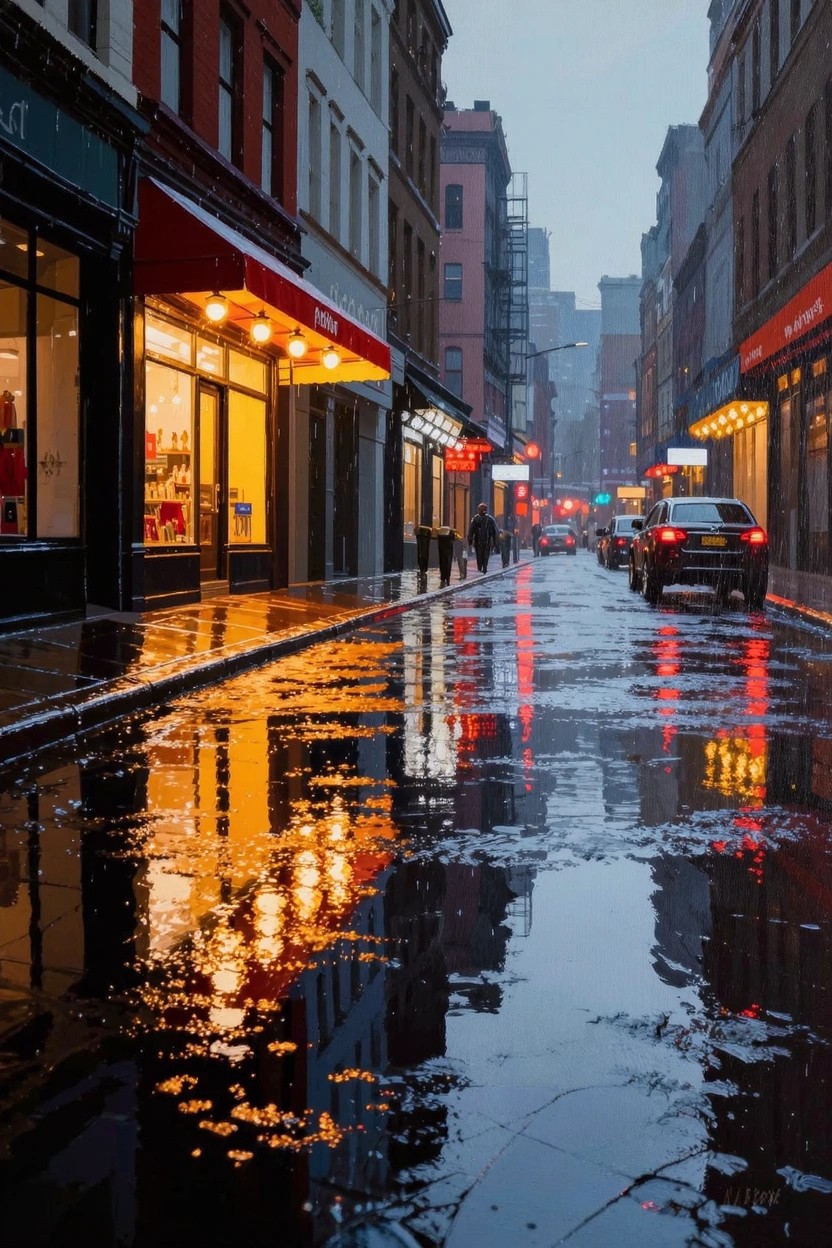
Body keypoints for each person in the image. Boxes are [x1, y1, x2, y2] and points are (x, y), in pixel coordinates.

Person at [467, 502, 499, 574]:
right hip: (480, 540)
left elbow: (494, 531)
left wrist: (495, 541)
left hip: (485, 540)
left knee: (483, 554)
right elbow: (471, 530)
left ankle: (483, 567)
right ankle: (481, 566)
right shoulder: (476, 519)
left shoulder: (489, 519)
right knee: (480, 554)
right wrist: (470, 539)